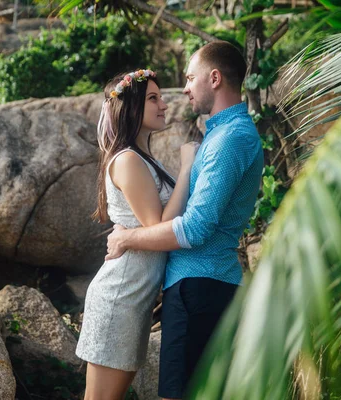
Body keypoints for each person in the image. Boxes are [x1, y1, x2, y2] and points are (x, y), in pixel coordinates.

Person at [105, 41, 264, 399]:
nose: (186, 88)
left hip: (200, 286)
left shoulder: (230, 139)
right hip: (200, 285)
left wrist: (126, 238)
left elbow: (195, 228)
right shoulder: (220, 135)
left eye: (191, 78)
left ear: (215, 77)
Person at [76, 69, 200, 400]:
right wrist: (188, 169)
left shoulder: (143, 158)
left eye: (161, 96)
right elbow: (157, 226)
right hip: (120, 296)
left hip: (134, 297)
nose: (164, 104)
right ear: (130, 107)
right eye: (153, 98)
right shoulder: (129, 160)